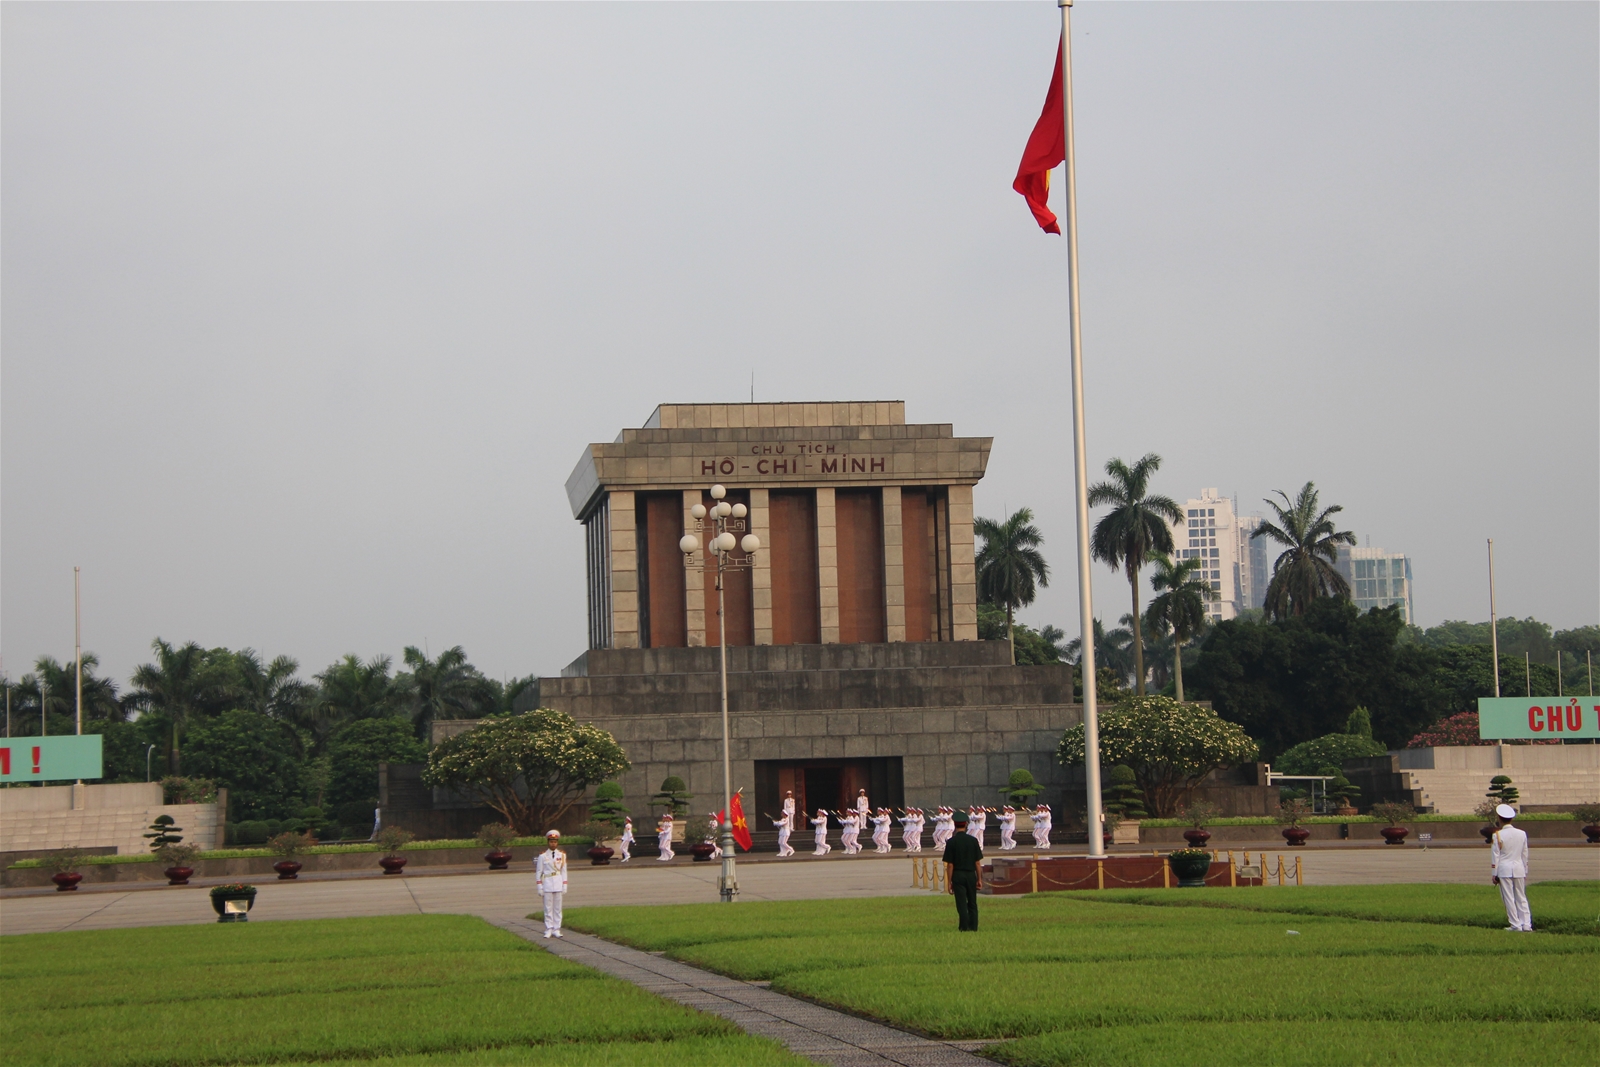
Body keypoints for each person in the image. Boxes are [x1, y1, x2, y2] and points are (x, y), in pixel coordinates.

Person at [1491, 803, 1532, 932]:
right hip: (1519, 868)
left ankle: (1515, 924)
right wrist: (1525, 870)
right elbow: (1524, 854)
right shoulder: (1522, 833)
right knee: (1521, 897)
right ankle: (1526, 924)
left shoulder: (1497, 835)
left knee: (1509, 898)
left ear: (1499, 818)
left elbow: (1496, 855)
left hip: (1504, 869)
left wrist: (1494, 873)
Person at [942, 810, 983, 931]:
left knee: (961, 903)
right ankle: (973, 926)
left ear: (955, 825)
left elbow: (950, 865)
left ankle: (964, 926)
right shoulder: (973, 840)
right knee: (972, 902)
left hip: (958, 875)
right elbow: (977, 862)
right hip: (970, 875)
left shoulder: (951, 842)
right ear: (966, 824)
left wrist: (949, 881)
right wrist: (979, 879)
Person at [535, 830, 568, 939]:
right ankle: (549, 928)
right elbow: (539, 872)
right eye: (551, 842)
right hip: (547, 883)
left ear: (557, 842)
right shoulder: (543, 856)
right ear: (548, 842)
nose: (553, 844)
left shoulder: (562, 855)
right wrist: (539, 886)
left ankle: (556, 929)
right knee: (548, 908)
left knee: (557, 908)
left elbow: (564, 871)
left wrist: (564, 885)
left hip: (558, 883)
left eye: (555, 842)